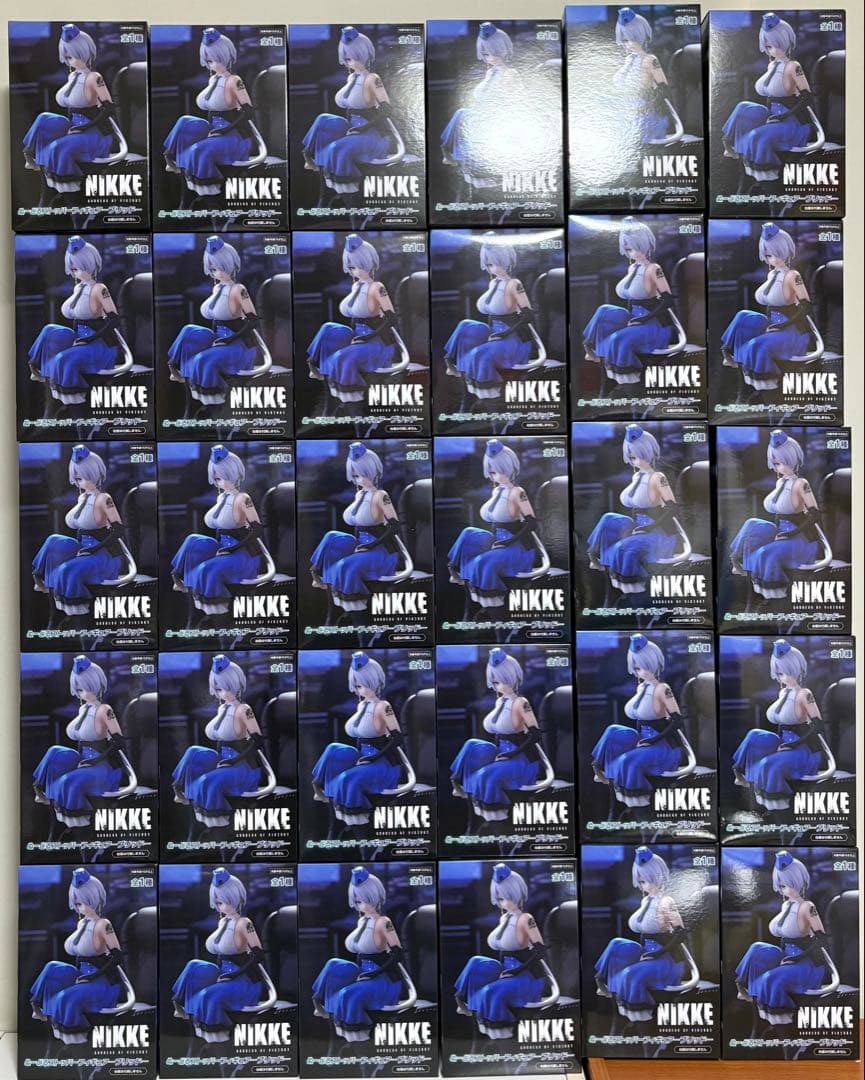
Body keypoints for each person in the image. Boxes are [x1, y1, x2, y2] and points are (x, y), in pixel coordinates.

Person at [454, 863, 553, 1039]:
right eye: (499, 899)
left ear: (517, 894)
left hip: (526, 976)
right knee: (476, 962)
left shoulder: (526, 919)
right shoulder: (504, 918)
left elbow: (541, 951)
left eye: (506, 897)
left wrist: (516, 971)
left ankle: (500, 1029)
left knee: (490, 991)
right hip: (506, 969)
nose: (503, 902)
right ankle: (464, 1001)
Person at [172, 867, 271, 1042]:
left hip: (244, 981)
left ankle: (217, 1034)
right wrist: (218, 975)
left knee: (207, 995)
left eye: (224, 901)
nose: (220, 906)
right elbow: (220, 954)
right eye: (217, 902)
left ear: (235, 899)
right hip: (224, 973)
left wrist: (233, 975)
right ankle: (181, 1005)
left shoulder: (244, 923)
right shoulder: (223, 921)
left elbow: (259, 955)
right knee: (194, 965)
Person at [30, 868, 128, 1043]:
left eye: (82, 903)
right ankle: (37, 1005)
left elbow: (118, 957)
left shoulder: (103, 924)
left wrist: (92, 977)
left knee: (65, 997)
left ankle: (75, 1037)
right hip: (82, 974)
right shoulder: (82, 922)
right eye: (76, 904)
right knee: (52, 967)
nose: (79, 908)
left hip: (101, 982)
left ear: (94, 899)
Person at [586, 424, 688, 594]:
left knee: (624, 547)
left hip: (658, 533)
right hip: (639, 526)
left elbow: (673, 508)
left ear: (650, 453)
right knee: (608, 518)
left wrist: (650, 527)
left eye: (642, 455)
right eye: (633, 457)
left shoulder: (658, 477)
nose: (637, 461)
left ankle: (631, 584)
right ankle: (595, 555)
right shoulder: (637, 476)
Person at [735, 851, 834, 1025]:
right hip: (786, 956)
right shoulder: (786, 905)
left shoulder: (807, 906)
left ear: (799, 881)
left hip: (806, 964)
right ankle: (746, 987)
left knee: (770, 977)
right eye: (781, 885)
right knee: (757, 948)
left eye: (788, 884)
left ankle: (781, 1019)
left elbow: (822, 940)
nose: (784, 889)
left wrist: (796, 958)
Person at [312, 866, 409, 1041]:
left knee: (347, 994)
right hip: (363, 972)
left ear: (375, 897)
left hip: (383, 979)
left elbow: (398, 954)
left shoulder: (384, 922)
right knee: (333, 964)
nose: (361, 905)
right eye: (357, 901)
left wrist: (373, 974)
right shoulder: (362, 920)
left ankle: (358, 1034)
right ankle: (323, 1004)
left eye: (364, 900)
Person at [22, 24, 120, 196]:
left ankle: (67, 190)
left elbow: (110, 109)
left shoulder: (94, 77)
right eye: (66, 57)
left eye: (72, 56)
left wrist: (83, 127)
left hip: (94, 133)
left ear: (84, 53)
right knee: (44, 118)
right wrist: (69, 127)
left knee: (57, 147)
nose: (69, 61)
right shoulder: (72, 76)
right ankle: (30, 154)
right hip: (74, 126)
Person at [311, 652, 408, 827]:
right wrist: (358, 758)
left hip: (383, 763)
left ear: (374, 682)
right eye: (357, 685)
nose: (359, 689)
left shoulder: (383, 706)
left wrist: (373, 758)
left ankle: (356, 819)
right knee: (334, 749)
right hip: (363, 756)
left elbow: (398, 738)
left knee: (347, 778)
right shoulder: (361, 705)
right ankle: (320, 787)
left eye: (363, 684)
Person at [302, 26, 400, 198]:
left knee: (336, 147)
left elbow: (387, 109)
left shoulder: (373, 79)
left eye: (356, 58)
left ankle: (348, 187)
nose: (351, 62)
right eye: (347, 59)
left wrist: (363, 128)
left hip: (372, 134)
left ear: (366, 55)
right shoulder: (351, 78)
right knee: (323, 119)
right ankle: (309, 156)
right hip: (352, 128)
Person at [594, 847, 689, 1023]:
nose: (642, 885)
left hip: (665, 959)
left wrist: (657, 953)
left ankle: (640, 1014)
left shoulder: (667, 902)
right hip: (646, 952)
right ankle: (601, 979)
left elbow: (681, 935)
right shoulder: (646, 900)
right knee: (617, 943)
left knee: (629, 974)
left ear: (656, 877)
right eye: (640, 881)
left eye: (644, 881)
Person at [33, 655, 129, 828]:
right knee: (55, 752)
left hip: (102, 767)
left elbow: (120, 742)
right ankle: (42, 791)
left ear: (97, 685)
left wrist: (94, 761)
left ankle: (77, 819)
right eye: (79, 689)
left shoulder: (105, 710)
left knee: (67, 781)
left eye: (86, 688)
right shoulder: (83, 708)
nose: (82, 693)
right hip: (83, 760)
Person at [450, 648, 544, 822]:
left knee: (485, 774)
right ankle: (457, 782)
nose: (497, 686)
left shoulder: (521, 702)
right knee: (472, 744)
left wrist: (512, 754)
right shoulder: (500, 701)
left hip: (521, 759)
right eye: (494, 682)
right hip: (502, 752)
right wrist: (494, 755)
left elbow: (536, 735)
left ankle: (495, 813)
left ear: (512, 678)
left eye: (501, 681)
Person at [32, 444, 127, 616]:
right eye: (76, 479)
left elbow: (119, 530)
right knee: (53, 540)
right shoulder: (83, 497)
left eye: (81, 478)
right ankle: (41, 579)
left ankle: (76, 607)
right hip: (84, 548)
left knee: (67, 569)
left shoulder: (104, 499)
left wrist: (94, 549)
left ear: (93, 474)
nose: (78, 483)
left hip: (104, 555)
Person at [170, 445, 266, 615]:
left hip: (243, 554)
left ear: (235, 475)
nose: (221, 483)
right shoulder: (221, 497)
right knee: (193, 540)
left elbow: (258, 529)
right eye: (217, 479)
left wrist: (232, 548)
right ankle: (179, 577)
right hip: (223, 548)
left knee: (206, 569)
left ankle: (216, 609)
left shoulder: (243, 498)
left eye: (224, 477)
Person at [307, 234, 403, 404]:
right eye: (351, 267)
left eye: (358, 266)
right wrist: (352, 337)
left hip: (377, 342)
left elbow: (392, 319)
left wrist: (367, 337)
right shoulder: (356, 286)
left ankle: (350, 393)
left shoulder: (377, 287)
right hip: (358, 336)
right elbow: (354, 317)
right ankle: (315, 366)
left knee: (342, 357)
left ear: (369, 263)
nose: (354, 271)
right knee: (328, 328)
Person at [591, 635, 685, 808]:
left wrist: (653, 740)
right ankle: (599, 766)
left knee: (626, 760)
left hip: (663, 746)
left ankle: (638, 798)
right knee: (613, 730)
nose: (639, 671)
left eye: (642, 667)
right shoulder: (641, 687)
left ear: (653, 664)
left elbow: (678, 721)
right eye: (636, 668)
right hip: (643, 739)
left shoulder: (662, 689)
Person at [172, 655, 266, 828]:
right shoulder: (222, 708)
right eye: (219, 688)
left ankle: (217, 821)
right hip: (223, 760)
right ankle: (180, 789)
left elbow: (258, 741)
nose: (222, 693)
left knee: (207, 781)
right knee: (193, 752)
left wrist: (234, 761)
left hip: (243, 766)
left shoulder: (244, 709)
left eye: (226, 688)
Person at [729, 430, 824, 600]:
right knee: (752, 523)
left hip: (799, 539)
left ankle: (773, 591)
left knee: (764, 553)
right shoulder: (780, 482)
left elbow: (815, 515)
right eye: (775, 463)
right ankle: (738, 561)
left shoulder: (801, 484)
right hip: (780, 533)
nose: (778, 467)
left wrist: (790, 533)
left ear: (793, 459)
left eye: (781, 463)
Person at [443, 236, 542, 399]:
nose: (494, 268)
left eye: (498, 263)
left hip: (512, 339)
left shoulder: (514, 284)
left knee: (478, 353)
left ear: (507, 262)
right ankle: (452, 363)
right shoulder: (493, 283)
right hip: (493, 333)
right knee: (465, 325)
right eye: (489, 264)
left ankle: (489, 392)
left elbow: (528, 315)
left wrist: (505, 333)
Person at [167, 236, 261, 406]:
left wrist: (229, 339)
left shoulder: (238, 289)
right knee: (189, 330)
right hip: (219, 337)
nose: (214, 272)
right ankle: (175, 367)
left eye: (218, 268)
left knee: (202, 359)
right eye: (211, 268)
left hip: (238, 344)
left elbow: (254, 321)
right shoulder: (217, 288)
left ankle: (213, 399)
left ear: (229, 265)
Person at [163, 27, 257, 199]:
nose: (209, 65)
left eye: (212, 60)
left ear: (224, 57)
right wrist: (216, 130)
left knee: (198, 149)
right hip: (214, 129)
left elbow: (249, 112)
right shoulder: (213, 79)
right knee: (185, 121)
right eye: (207, 61)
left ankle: (209, 187)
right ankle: (171, 156)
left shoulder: (234, 81)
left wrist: (224, 130)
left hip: (234, 136)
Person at [309, 442, 403, 614]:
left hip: (381, 551)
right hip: (361, 545)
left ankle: (354, 603)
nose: (357, 480)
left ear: (372, 472)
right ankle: (318, 573)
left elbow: (395, 526)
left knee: (345, 565)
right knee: (332, 536)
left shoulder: (381, 495)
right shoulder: (360, 494)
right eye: (354, 476)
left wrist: (371, 545)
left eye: (360, 475)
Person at [732, 640, 825, 812]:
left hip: (803, 749)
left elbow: (819, 726)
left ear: (796, 669)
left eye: (786, 672)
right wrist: (782, 744)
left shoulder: (804, 694)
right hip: (784, 743)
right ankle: (741, 773)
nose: (782, 677)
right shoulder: (783, 692)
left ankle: (777, 807)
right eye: (780, 673)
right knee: (754, 735)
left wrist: (793, 744)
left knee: (767, 764)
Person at [28, 236, 122, 404]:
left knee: (63, 359)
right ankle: (37, 369)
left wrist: (89, 339)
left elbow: (114, 320)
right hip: (79, 338)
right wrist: (76, 339)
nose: (74, 272)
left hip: (99, 344)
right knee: (49, 329)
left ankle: (73, 395)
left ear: (90, 265)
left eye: (77, 268)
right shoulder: (78, 287)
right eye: (72, 268)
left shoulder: (100, 289)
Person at [448, 440, 543, 608]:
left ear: (510, 468)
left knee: (482, 561)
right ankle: (456, 570)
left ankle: (492, 599)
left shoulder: (518, 492)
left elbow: (532, 523)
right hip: (498, 540)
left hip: (517, 547)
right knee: (468, 532)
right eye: (491, 472)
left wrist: (508, 542)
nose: (494, 476)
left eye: (499, 471)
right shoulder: (497, 491)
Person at [582, 217, 677, 386]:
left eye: (631, 249)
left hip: (652, 323)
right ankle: (591, 347)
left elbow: (668, 300)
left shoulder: (654, 269)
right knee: (604, 310)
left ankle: (625, 378)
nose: (628, 253)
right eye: (626, 249)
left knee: (618, 338)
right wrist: (629, 319)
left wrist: (643, 318)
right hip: (633, 317)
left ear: (643, 246)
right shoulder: (632, 267)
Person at [722, 13, 815, 183]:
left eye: (772, 45)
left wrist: (783, 116)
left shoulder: (793, 66)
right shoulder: (772, 64)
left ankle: (766, 179)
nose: (769, 49)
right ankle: (730, 145)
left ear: (784, 42)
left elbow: (807, 98)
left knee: (756, 136)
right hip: (772, 115)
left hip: (791, 122)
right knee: (743, 107)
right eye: (767, 45)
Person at [721, 223, 813, 392]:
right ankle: (729, 353)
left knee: (755, 344)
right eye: (769, 255)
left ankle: (764, 384)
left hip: (791, 331)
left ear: (786, 251)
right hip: (772, 325)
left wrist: (782, 325)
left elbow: (806, 306)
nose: (773, 259)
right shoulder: (772, 274)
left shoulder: (793, 275)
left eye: (776, 254)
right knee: (743, 316)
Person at [440, 23, 523, 191]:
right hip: (483, 115)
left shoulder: (510, 74)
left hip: (499, 118)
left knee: (462, 114)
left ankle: (447, 150)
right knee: (463, 115)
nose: (490, 57)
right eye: (486, 53)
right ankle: (450, 153)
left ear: (504, 50)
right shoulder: (490, 73)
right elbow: (480, 96)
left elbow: (514, 103)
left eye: (494, 52)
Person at [610, 8, 677, 144]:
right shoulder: (629, 60)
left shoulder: (650, 60)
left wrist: (652, 101)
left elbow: (665, 89)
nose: (626, 44)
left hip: (646, 115)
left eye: (630, 39)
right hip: (628, 111)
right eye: (624, 40)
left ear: (641, 37)